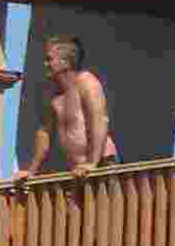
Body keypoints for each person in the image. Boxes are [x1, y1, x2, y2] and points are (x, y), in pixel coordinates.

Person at [24, 34, 116, 176]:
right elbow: (44, 133)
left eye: (49, 59)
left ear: (66, 62)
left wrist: (92, 162)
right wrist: (31, 171)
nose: (45, 64)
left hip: (103, 163)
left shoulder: (86, 82)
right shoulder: (53, 94)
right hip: (79, 170)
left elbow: (99, 121)